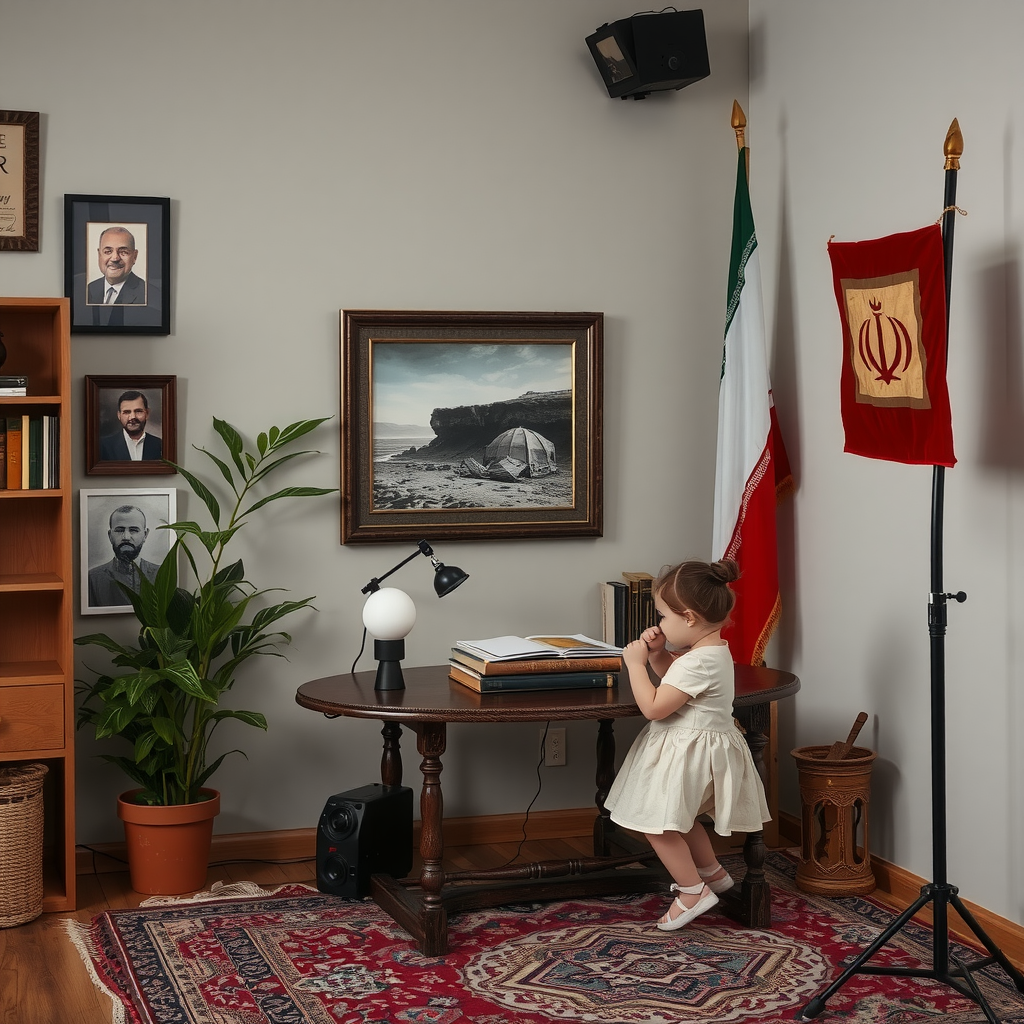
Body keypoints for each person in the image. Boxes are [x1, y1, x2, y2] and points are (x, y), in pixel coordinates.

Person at [604, 558, 770, 931]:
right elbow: (677, 686)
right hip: (700, 747)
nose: (659, 623)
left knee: (657, 824)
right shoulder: (710, 654)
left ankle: (693, 891)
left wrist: (633, 664)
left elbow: (655, 707)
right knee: (684, 816)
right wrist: (659, 655)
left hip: (687, 752)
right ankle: (712, 873)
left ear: (690, 617)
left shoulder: (698, 662)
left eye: (663, 616)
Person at [88, 505, 161, 607]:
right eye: (120, 530)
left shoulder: (161, 574)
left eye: (134, 530)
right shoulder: (92, 579)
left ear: (145, 535)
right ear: (110, 535)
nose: (126, 537)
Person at [86, 226, 146, 305]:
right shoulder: (88, 290)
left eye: (123, 252)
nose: (115, 258)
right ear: (99, 255)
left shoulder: (147, 293)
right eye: (108, 251)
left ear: (134, 256)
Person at [99, 390, 163, 461]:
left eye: (138, 411)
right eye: (126, 412)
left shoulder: (159, 445)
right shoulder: (103, 445)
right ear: (119, 415)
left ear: (147, 414)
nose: (132, 417)